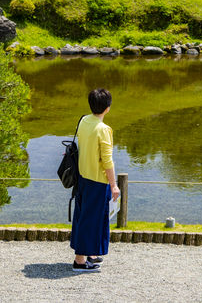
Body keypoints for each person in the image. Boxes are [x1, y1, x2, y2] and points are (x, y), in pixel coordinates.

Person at [70, 88, 120, 272]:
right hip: (98, 181)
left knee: (85, 217)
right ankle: (79, 261)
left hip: (83, 177)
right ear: (107, 107)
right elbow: (107, 160)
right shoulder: (104, 129)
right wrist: (114, 185)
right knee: (91, 220)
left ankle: (90, 253)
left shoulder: (84, 120)